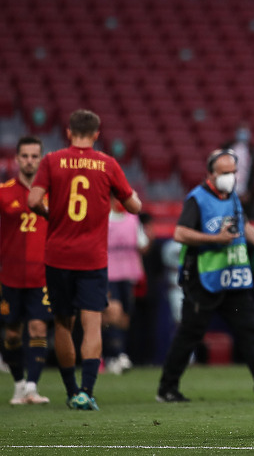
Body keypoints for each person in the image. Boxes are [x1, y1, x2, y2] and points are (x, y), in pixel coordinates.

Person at [156, 148, 254, 403]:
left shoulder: (232, 197)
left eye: (233, 172)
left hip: (232, 277)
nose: (230, 177)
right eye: (225, 173)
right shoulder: (197, 199)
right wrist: (215, 239)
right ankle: (167, 388)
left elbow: (245, 227)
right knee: (190, 333)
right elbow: (180, 233)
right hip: (203, 278)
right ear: (210, 173)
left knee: (250, 331)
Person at [28, 110, 142, 411]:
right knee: (92, 324)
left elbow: (32, 200)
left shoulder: (52, 161)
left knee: (63, 323)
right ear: (95, 134)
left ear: (68, 132)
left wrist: (52, 217)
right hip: (92, 257)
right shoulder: (107, 163)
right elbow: (134, 205)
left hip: (58, 255)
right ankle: (87, 392)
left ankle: (70, 390)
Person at [0, 136, 51, 405]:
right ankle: (19, 384)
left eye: (34, 156)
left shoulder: (52, 193)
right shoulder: (4, 191)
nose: (30, 160)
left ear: (41, 158)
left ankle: (32, 386)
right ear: (17, 159)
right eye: (25, 156)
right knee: (11, 333)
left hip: (41, 276)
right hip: (9, 276)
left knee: (38, 328)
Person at [103, 198, 149, 374]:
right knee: (113, 311)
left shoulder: (132, 220)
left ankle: (115, 354)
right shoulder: (104, 219)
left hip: (128, 273)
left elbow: (143, 245)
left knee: (124, 318)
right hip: (109, 273)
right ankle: (116, 354)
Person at [222, 124, 254, 219]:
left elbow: (253, 173)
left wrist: (248, 190)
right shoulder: (227, 148)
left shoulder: (252, 151)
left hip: (244, 191)